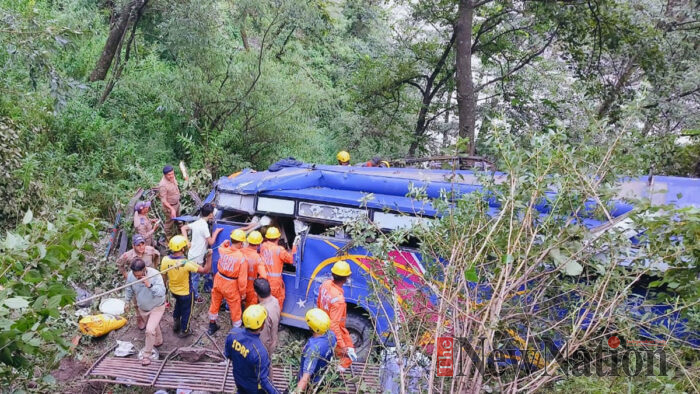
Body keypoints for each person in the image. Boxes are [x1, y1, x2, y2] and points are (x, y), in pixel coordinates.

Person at [160, 235, 211, 337]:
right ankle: (185, 330)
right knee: (187, 311)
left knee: (178, 305)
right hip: (186, 293)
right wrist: (209, 257)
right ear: (183, 249)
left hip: (174, 290)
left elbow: (163, 276)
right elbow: (205, 270)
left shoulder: (165, 260)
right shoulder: (186, 263)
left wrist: (165, 289)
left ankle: (176, 323)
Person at [225, 305, 279, 394]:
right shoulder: (260, 351)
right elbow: (263, 380)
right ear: (261, 326)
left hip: (238, 378)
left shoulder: (233, 333)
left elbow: (228, 355)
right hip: (253, 387)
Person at [124, 258, 167, 366]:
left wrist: (149, 285)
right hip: (143, 308)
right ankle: (158, 341)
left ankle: (146, 355)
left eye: (139, 276)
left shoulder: (155, 275)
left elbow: (162, 292)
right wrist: (127, 302)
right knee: (153, 327)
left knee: (149, 330)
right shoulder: (130, 276)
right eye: (135, 275)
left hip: (157, 306)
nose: (137, 278)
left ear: (145, 270)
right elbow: (129, 289)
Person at [208, 229, 248, 335]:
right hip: (231, 285)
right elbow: (242, 279)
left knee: (215, 302)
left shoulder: (223, 250)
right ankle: (236, 332)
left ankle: (212, 326)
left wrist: (225, 243)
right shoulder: (241, 258)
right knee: (235, 307)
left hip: (219, 280)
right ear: (241, 243)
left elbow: (221, 247)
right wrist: (243, 293)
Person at [317, 260, 356, 371]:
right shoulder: (339, 300)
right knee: (347, 354)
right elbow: (334, 325)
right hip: (334, 329)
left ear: (333, 274)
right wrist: (342, 345)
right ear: (346, 278)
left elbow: (319, 302)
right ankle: (335, 375)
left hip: (322, 323)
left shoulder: (325, 284)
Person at [180, 203, 223, 303]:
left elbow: (183, 228)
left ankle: (189, 293)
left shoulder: (197, 222)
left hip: (191, 254)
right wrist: (216, 232)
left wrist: (186, 241)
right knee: (195, 278)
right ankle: (194, 297)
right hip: (197, 257)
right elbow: (211, 242)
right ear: (211, 215)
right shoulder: (204, 226)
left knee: (191, 277)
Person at [296, 308, 336, 393]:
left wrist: (297, 391)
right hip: (322, 375)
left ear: (312, 327)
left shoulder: (313, 349)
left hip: (312, 383)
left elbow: (305, 378)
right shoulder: (331, 335)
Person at [260, 227, 295, 309]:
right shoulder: (280, 250)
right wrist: (294, 248)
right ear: (278, 238)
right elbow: (291, 260)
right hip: (275, 282)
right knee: (277, 302)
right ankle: (274, 319)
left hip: (264, 279)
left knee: (264, 302)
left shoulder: (263, 246)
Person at [255, 278, 280, 361]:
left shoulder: (262, 312)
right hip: (273, 341)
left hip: (264, 348)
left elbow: (263, 339)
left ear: (256, 293)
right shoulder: (275, 301)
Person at [242, 231, 267, 308]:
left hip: (239, 286)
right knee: (251, 310)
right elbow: (264, 276)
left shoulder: (240, 251)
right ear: (258, 244)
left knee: (237, 308)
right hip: (251, 287)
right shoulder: (258, 258)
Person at [158, 165, 181, 238]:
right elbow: (164, 200)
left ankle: (180, 229)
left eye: (172, 173)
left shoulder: (172, 177)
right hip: (169, 207)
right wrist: (172, 209)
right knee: (169, 223)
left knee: (178, 218)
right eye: (169, 175)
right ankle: (168, 238)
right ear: (165, 175)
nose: (171, 176)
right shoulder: (163, 185)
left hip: (176, 204)